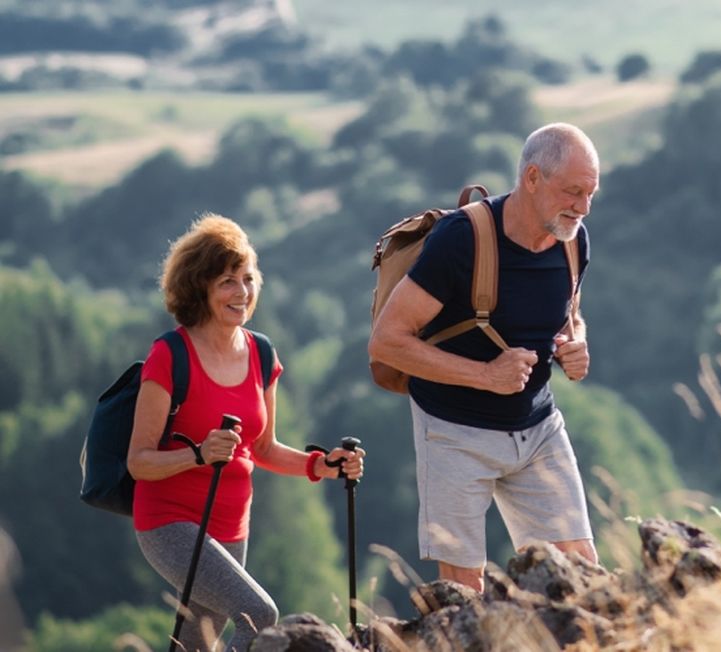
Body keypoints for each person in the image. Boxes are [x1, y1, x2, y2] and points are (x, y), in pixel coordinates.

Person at [368, 122, 600, 591]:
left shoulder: (574, 239)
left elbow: (566, 311)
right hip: (453, 432)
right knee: (462, 595)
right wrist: (485, 375)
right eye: (573, 191)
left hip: (537, 430)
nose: (583, 206)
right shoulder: (461, 241)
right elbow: (386, 341)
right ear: (532, 178)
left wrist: (575, 342)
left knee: (582, 578)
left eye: (591, 193)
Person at [127, 214, 365, 651]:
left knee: (195, 644)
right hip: (170, 522)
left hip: (232, 525)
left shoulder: (261, 352)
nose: (242, 293)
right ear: (200, 287)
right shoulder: (170, 356)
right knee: (259, 614)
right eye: (227, 282)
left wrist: (323, 465)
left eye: (248, 279)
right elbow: (139, 461)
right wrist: (197, 454)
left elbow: (263, 448)